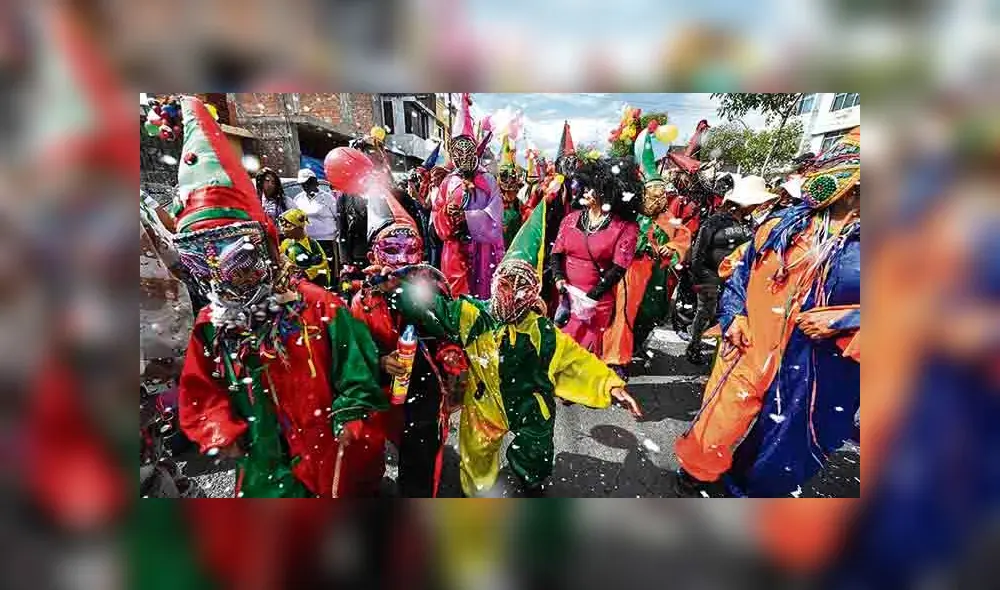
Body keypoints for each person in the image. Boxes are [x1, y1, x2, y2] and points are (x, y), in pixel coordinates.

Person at [171, 97, 389, 498]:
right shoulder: (212, 326)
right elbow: (200, 390)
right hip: (263, 468)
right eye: (202, 261)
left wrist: (349, 416)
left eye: (237, 255)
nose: (223, 275)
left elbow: (356, 372)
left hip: (325, 460)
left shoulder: (319, 307)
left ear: (266, 247)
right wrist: (220, 429)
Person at [388, 204, 643, 496]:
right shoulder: (472, 314)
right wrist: (396, 288)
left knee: (536, 455)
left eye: (523, 286)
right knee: (477, 458)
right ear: (496, 282)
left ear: (533, 293)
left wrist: (611, 385)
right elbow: (430, 307)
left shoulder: (543, 332)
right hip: (484, 405)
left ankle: (531, 483)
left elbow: (576, 362)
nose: (513, 292)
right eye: (507, 282)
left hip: (531, 407)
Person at [674, 127, 861, 498]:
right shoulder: (781, 227)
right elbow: (740, 276)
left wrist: (847, 318)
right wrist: (734, 317)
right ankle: (698, 472)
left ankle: (743, 493)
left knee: (785, 444)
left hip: (816, 363)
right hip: (751, 345)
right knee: (719, 421)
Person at [349, 189, 468, 497]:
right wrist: (378, 360)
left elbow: (446, 332)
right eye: (391, 249)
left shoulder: (434, 288)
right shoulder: (362, 300)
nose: (401, 259)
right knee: (372, 444)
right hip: (382, 385)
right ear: (375, 253)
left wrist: (449, 353)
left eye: (409, 248)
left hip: (423, 381)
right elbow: (352, 349)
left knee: (420, 447)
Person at [603, 133, 693, 373]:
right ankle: (616, 358)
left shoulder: (668, 219)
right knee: (624, 314)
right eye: (653, 194)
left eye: (661, 194)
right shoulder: (629, 217)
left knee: (653, 313)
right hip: (631, 273)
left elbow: (683, 238)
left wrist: (671, 248)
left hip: (657, 277)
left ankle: (635, 344)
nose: (658, 199)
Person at [550, 156, 640, 358]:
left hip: (596, 303)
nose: (586, 192)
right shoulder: (570, 219)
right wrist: (558, 279)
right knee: (561, 352)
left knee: (585, 356)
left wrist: (592, 297)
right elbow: (556, 253)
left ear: (606, 192)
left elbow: (619, 269)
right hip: (567, 297)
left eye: (592, 188)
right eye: (586, 187)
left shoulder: (625, 227)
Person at [684, 175, 769, 365]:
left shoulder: (750, 225)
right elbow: (698, 253)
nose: (756, 206)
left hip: (734, 283)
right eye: (755, 202)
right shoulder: (715, 221)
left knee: (723, 317)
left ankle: (719, 356)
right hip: (710, 279)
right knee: (705, 313)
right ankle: (694, 346)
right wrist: (704, 280)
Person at [434, 93, 505, 298]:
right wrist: (447, 215)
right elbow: (437, 215)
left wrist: (469, 219)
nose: (463, 156)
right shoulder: (448, 182)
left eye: (467, 150)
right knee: (458, 299)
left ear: (475, 150)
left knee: (482, 295)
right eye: (458, 151)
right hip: (455, 251)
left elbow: (495, 217)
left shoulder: (488, 181)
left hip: (482, 251)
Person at [289, 168, 341, 279]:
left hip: (326, 241)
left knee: (328, 270)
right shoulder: (298, 199)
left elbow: (337, 218)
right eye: (303, 184)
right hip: (308, 241)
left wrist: (338, 236)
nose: (305, 186)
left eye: (308, 183)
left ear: (314, 182)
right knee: (312, 270)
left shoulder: (327, 198)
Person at [278, 208, 331, 289]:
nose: (283, 229)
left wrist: (306, 272)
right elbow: (279, 258)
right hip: (291, 285)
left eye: (287, 226)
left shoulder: (311, 244)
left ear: (298, 227)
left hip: (309, 286)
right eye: (283, 226)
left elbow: (323, 266)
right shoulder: (286, 243)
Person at [496, 134, 525, 247]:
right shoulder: (494, 200)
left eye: (512, 176)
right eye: (504, 176)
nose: (509, 181)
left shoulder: (518, 202)